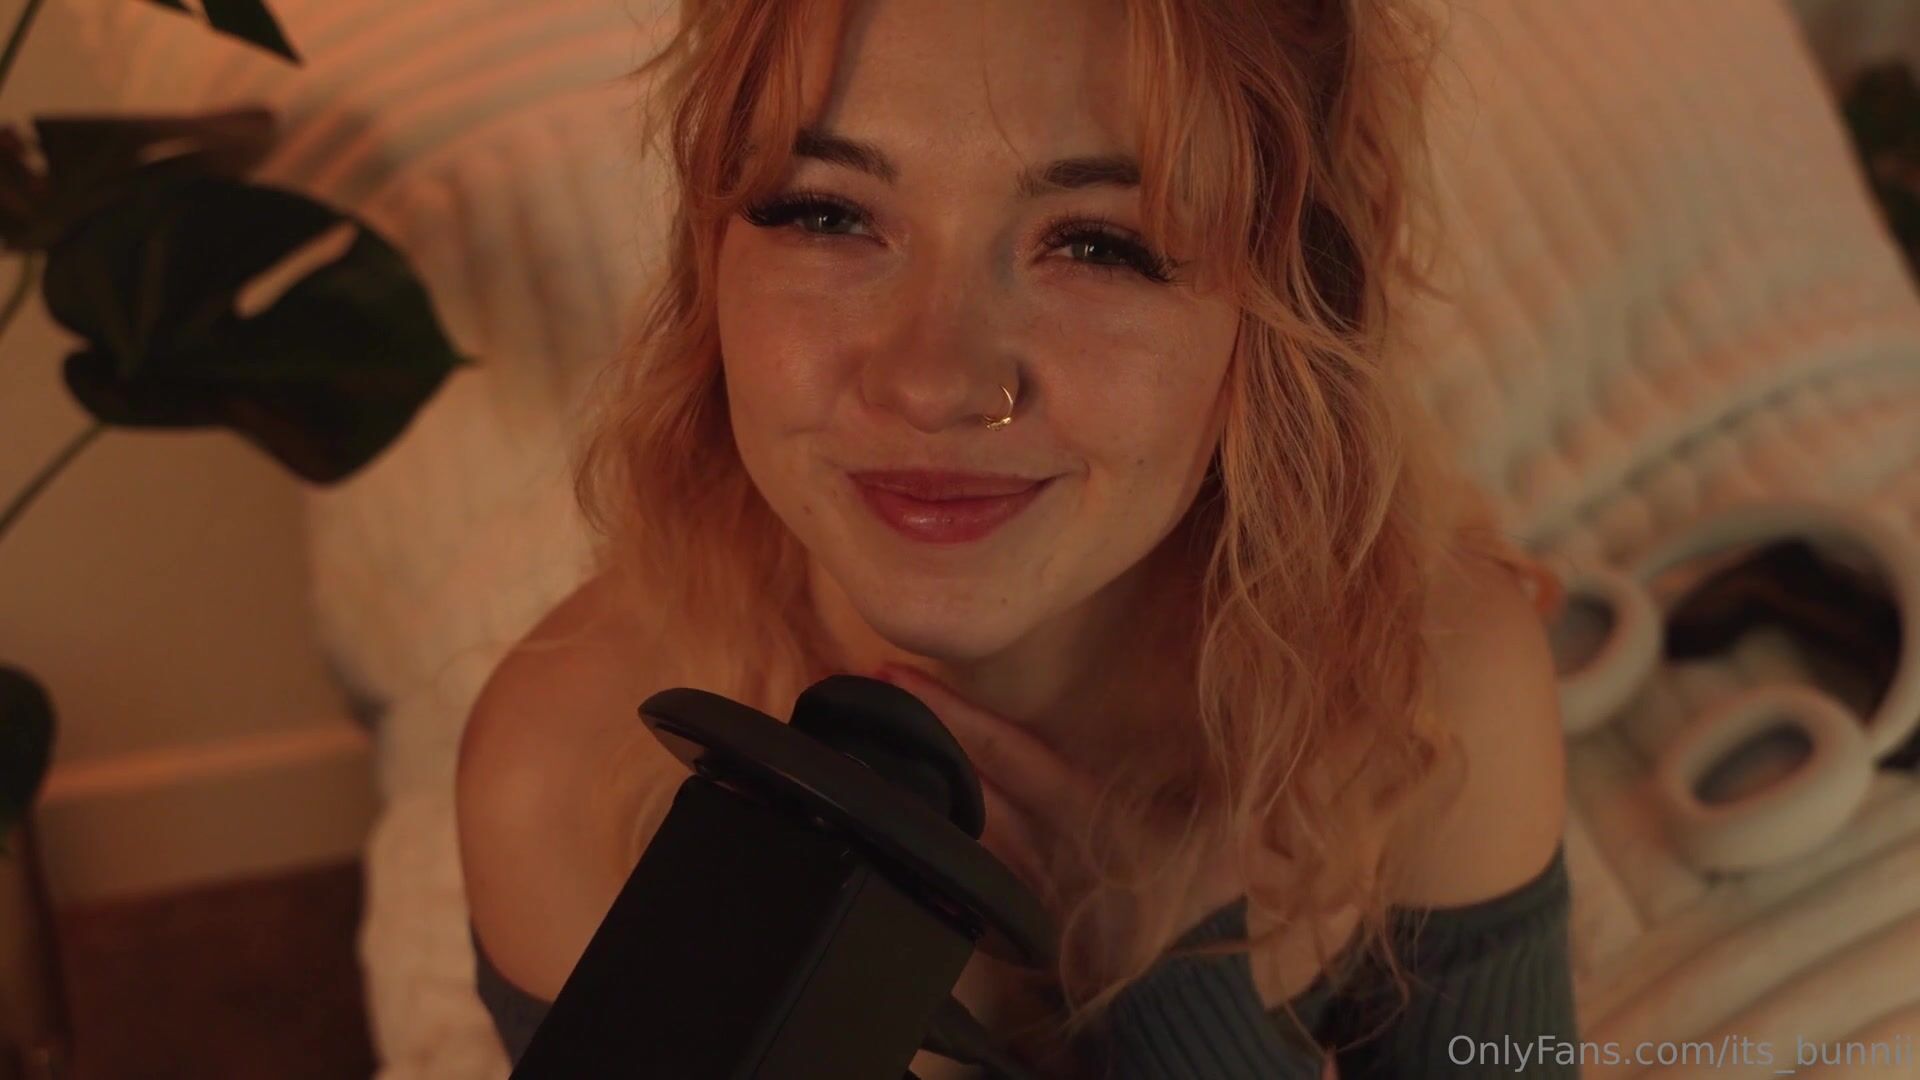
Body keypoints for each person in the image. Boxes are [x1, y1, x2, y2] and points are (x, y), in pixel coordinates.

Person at [456, 0, 1580, 1075]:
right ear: (708, 259)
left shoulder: (1424, 697)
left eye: (1097, 244)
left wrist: (1182, 989)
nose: (933, 383)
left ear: (1288, 299)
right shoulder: (566, 780)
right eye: (828, 214)